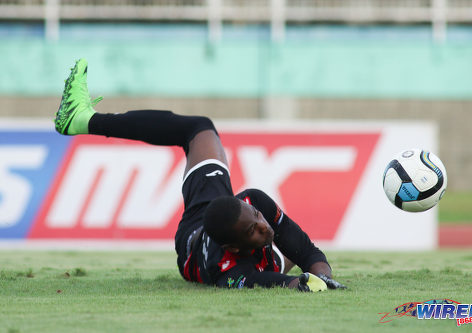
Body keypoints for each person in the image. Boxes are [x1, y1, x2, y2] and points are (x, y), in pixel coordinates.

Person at [55, 59, 347, 292]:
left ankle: (82, 119)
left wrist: (324, 275)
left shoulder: (251, 201)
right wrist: (308, 281)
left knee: (199, 128)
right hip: (197, 255)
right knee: (283, 259)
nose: (263, 226)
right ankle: (80, 118)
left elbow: (307, 249)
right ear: (233, 247)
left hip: (198, 221)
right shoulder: (227, 269)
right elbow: (280, 280)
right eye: (253, 229)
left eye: (257, 216)